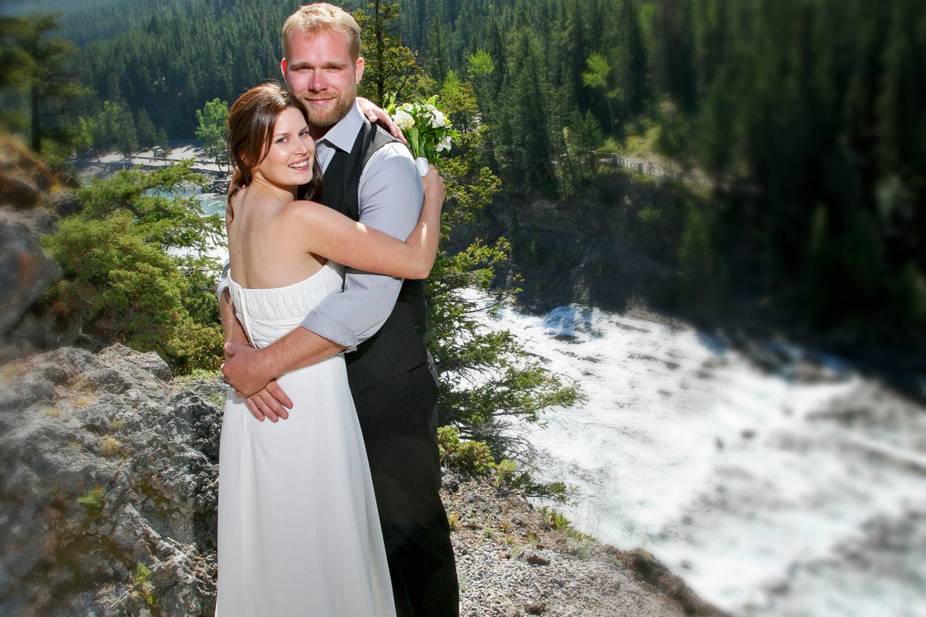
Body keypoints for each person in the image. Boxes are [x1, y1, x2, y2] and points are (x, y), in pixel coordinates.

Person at [218, 4, 459, 616]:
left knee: (408, 546)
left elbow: (369, 300)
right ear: (285, 70)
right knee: (314, 547)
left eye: (332, 67)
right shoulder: (277, 162)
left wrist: (259, 362)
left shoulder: (386, 162)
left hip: (383, 392)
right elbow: (235, 277)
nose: (318, 81)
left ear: (357, 70)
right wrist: (239, 346)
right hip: (302, 398)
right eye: (304, 68)